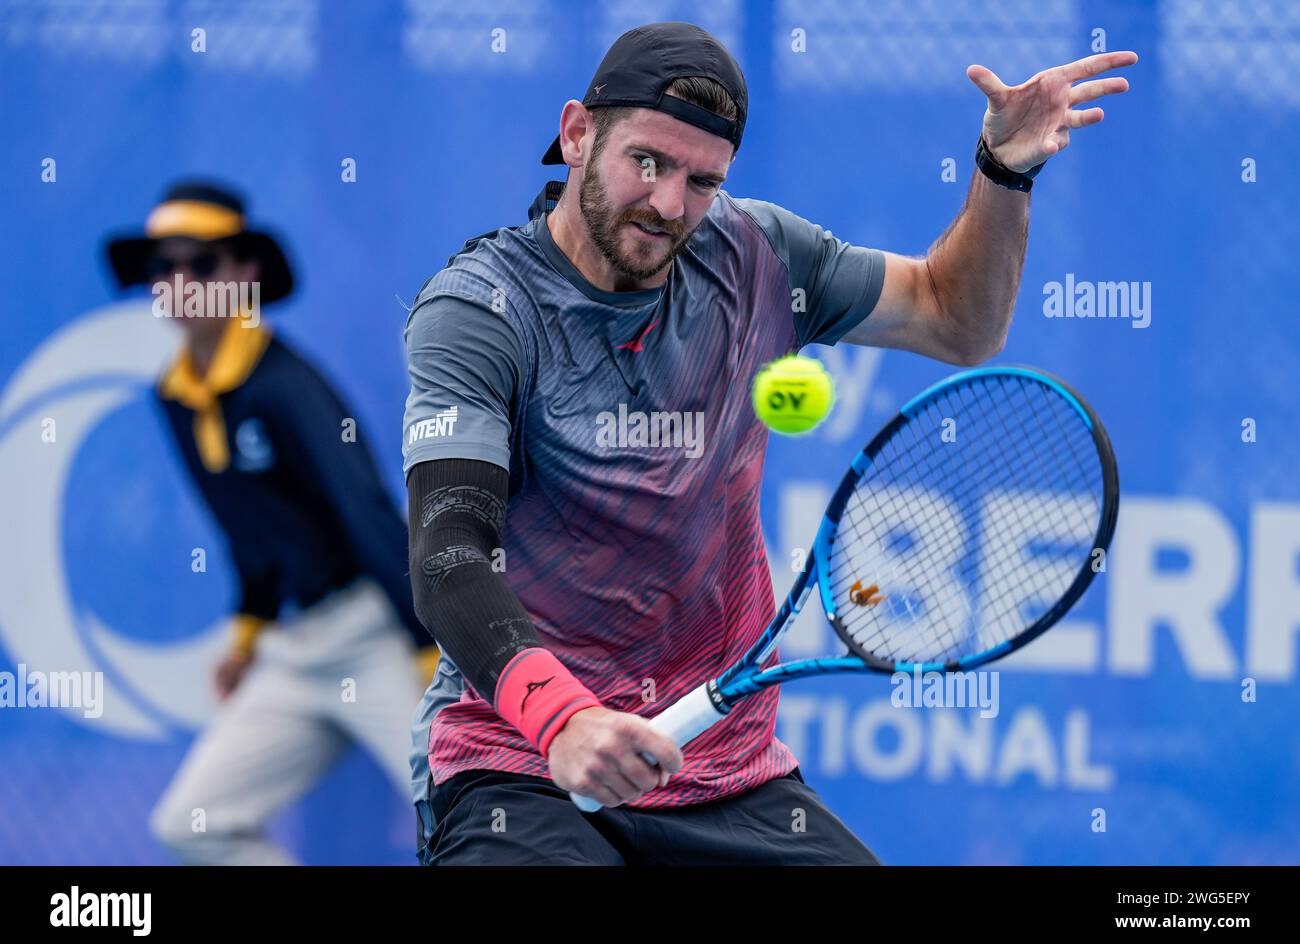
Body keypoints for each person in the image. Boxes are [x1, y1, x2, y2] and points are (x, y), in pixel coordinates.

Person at [404, 22, 1136, 864]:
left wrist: (1005, 172)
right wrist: (563, 718)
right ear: (576, 134)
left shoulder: (757, 253)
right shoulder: (480, 312)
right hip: (522, 765)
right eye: (647, 162)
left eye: (703, 180)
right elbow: (449, 554)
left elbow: (956, 319)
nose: (670, 204)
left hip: (729, 781)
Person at [104, 180, 441, 864]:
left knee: (482, 820)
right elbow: (249, 533)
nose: (179, 282)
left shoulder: (288, 385)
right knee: (191, 826)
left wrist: (431, 649)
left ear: (244, 275)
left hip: (378, 637)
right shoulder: (173, 395)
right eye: (161, 266)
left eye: (201, 263)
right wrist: (247, 634)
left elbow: (368, 515)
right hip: (296, 651)